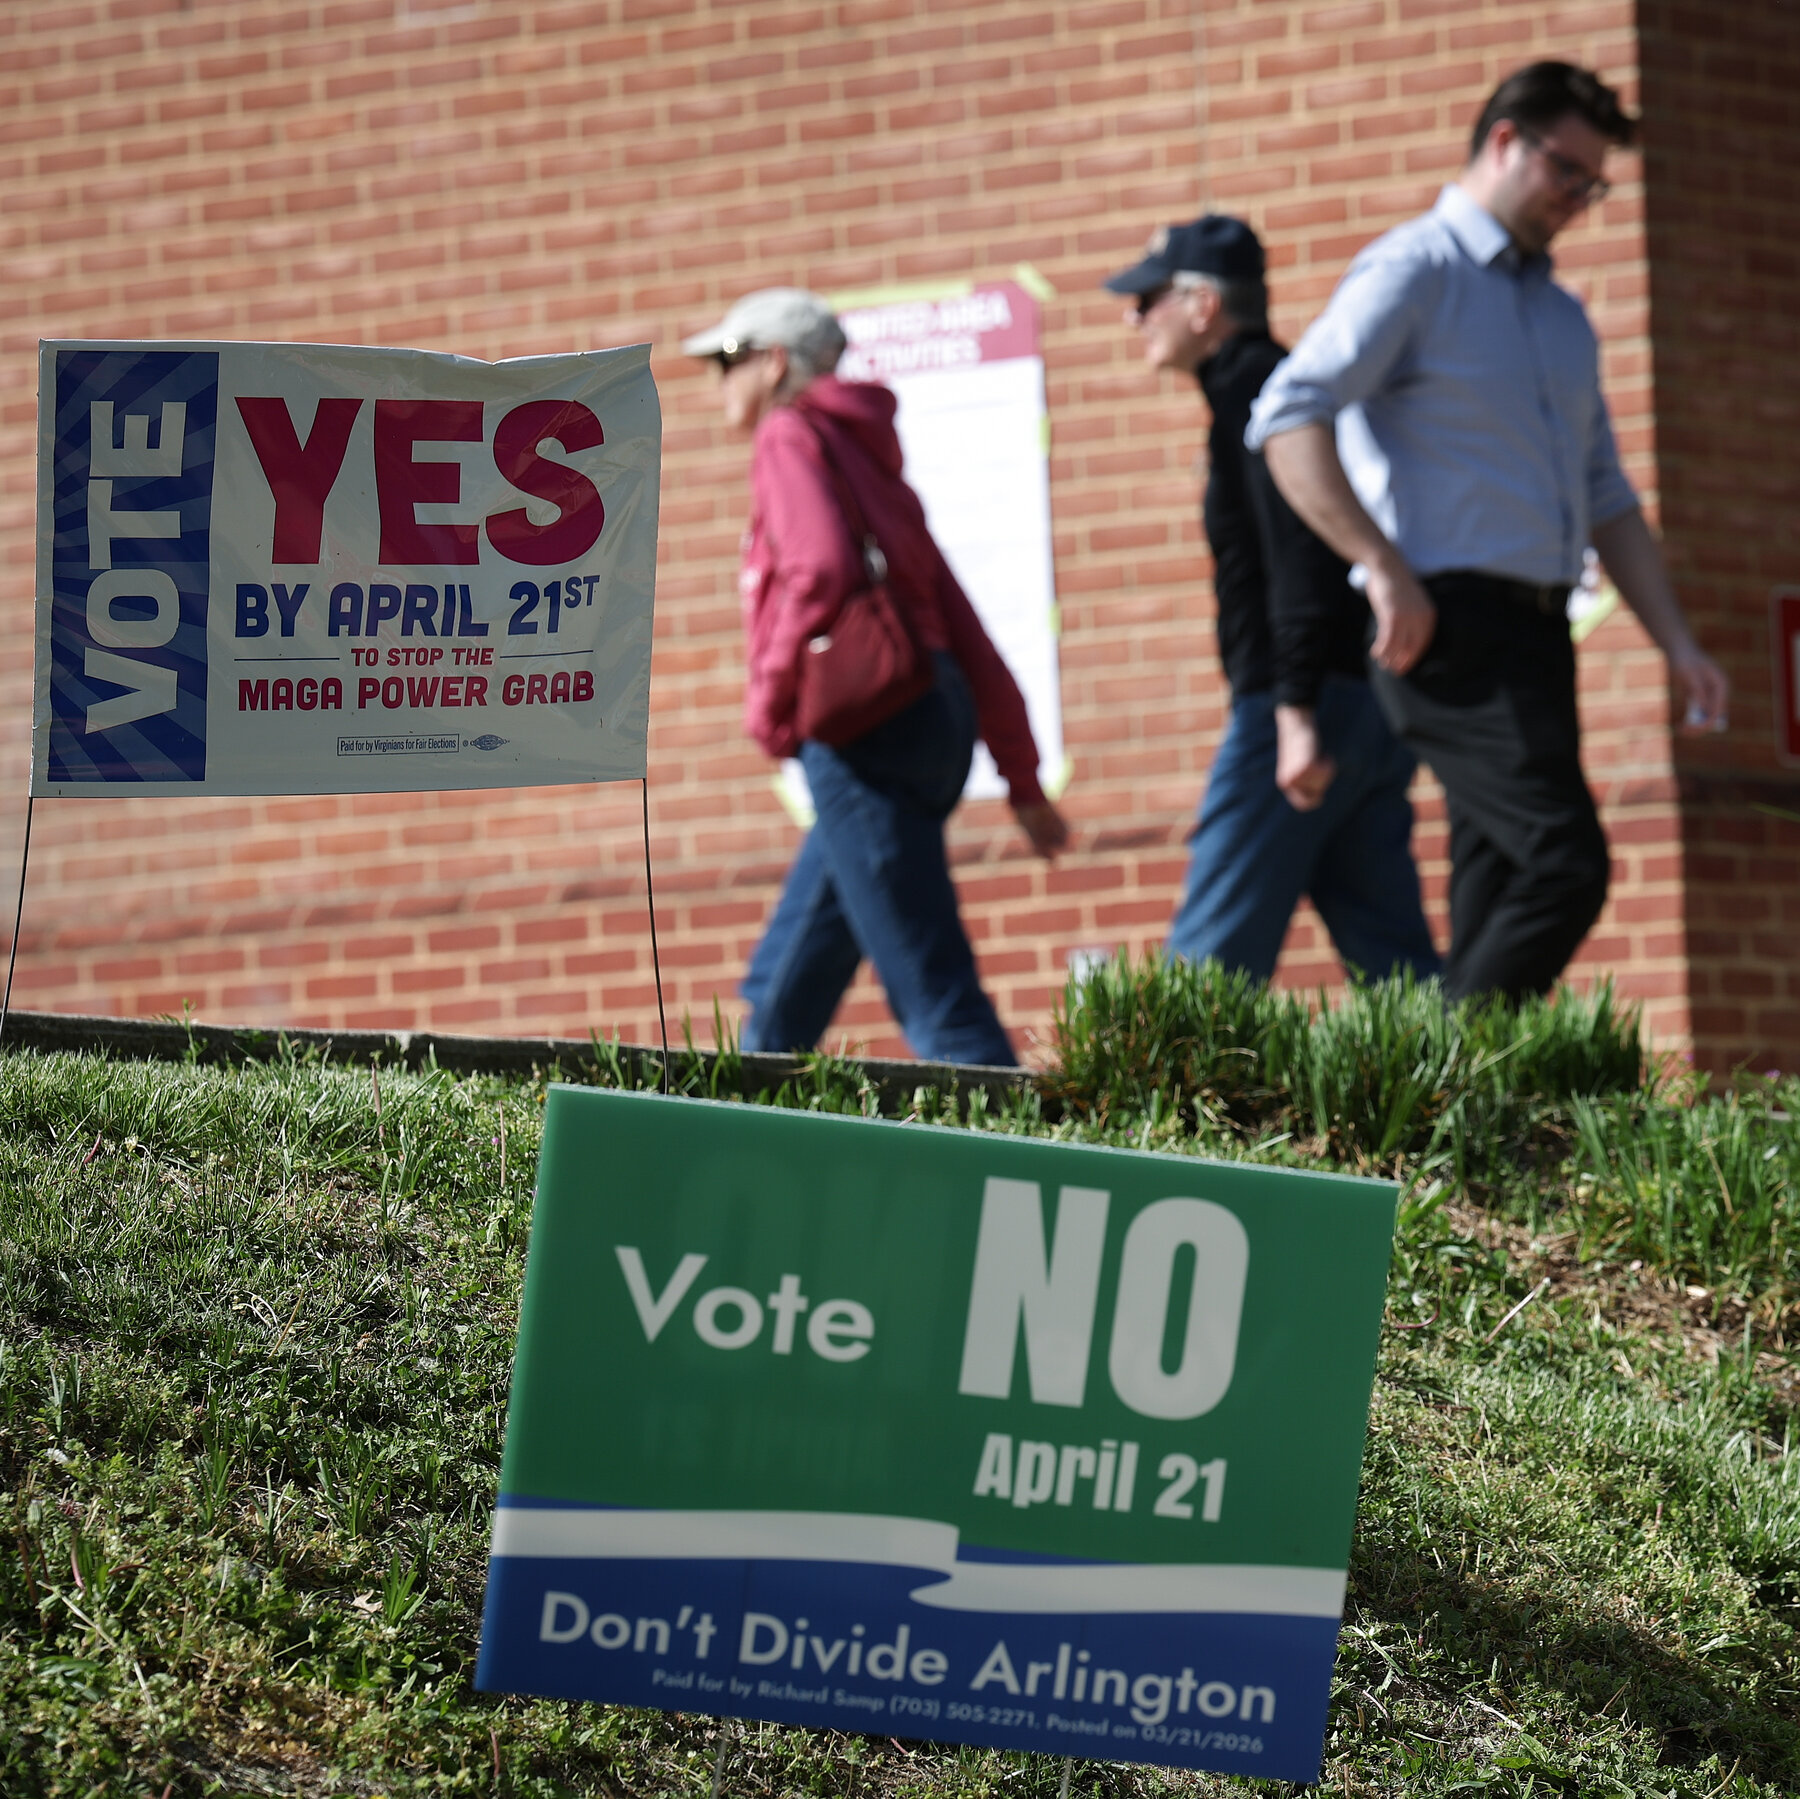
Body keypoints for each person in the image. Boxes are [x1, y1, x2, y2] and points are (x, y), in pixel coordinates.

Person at [1250, 62, 1729, 1005]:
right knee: (1565, 862)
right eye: (1568, 172)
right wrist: (1379, 564)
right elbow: (1287, 414)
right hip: (1446, 627)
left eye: (1594, 185)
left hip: (1539, 633)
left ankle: (1473, 1121)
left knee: (1502, 882)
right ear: (1505, 140)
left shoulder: (1559, 315)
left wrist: (1676, 641)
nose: (1578, 199)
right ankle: (1439, 1075)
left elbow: (1605, 492)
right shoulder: (1415, 271)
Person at [683, 288, 1069, 1066]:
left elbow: (819, 569)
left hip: (868, 729)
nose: (717, 381)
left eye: (728, 360)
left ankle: (1015, 1146)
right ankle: (734, 1110)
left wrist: (770, 706)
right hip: (933, 715)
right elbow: (962, 622)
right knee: (789, 979)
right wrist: (1021, 777)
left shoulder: (787, 435)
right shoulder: (868, 457)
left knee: (932, 989)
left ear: (775, 362)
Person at [1103, 218, 1440, 984]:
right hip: (1365, 701)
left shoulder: (1259, 398)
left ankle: (1165, 1108)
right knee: (1401, 972)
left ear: (1202, 306)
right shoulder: (1283, 387)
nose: (1135, 318)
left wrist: (1292, 715)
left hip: (1298, 711)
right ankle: (1476, 1099)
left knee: (1204, 974)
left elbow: (1297, 562)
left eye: (1148, 299)